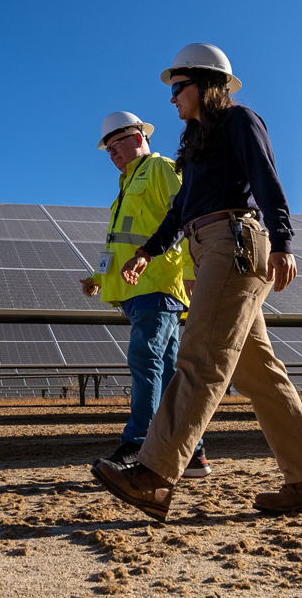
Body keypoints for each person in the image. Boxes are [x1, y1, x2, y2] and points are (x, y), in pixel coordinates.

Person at [91, 44, 302, 521]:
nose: (171, 99)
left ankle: (154, 475)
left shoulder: (240, 121)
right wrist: (147, 251)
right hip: (210, 248)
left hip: (235, 242)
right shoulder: (197, 142)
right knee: (257, 373)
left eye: (177, 88)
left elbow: (267, 180)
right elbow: (181, 210)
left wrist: (284, 242)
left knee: (199, 357)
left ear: (205, 85)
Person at [82, 111, 211, 478]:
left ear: (138, 137)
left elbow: (189, 217)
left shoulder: (161, 169)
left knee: (145, 358)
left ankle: (137, 443)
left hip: (158, 285)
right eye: (107, 149)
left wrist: (190, 271)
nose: (112, 154)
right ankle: (194, 454)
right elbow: (121, 243)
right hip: (134, 291)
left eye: (116, 144)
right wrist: (97, 278)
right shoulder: (126, 185)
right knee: (167, 373)